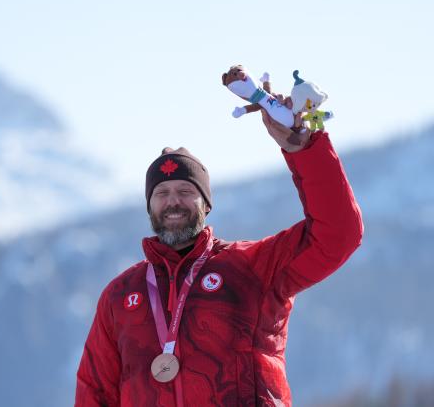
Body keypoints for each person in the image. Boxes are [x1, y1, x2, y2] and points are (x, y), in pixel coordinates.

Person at [75, 110, 364, 406]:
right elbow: (94, 393)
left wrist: (305, 150)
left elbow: (338, 234)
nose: (173, 201)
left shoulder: (253, 268)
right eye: (161, 193)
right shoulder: (120, 295)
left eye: (186, 190)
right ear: (149, 206)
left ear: (206, 204)